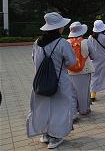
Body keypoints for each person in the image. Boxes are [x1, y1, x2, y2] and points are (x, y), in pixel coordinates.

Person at [27, 12, 76, 149]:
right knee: (59, 108)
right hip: (60, 83)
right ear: (58, 28)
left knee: (43, 108)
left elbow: (34, 60)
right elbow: (71, 62)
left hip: (40, 82)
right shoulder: (62, 43)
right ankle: (56, 137)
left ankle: (45, 134)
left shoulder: (37, 43)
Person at [67, 21, 94, 120]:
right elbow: (93, 55)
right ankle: (84, 110)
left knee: (72, 92)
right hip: (85, 70)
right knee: (83, 91)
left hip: (70, 71)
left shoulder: (67, 42)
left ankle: (73, 112)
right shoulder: (86, 42)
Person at [88, 20, 105, 101]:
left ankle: (93, 95)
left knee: (94, 76)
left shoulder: (90, 38)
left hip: (94, 59)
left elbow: (88, 49)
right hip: (104, 59)